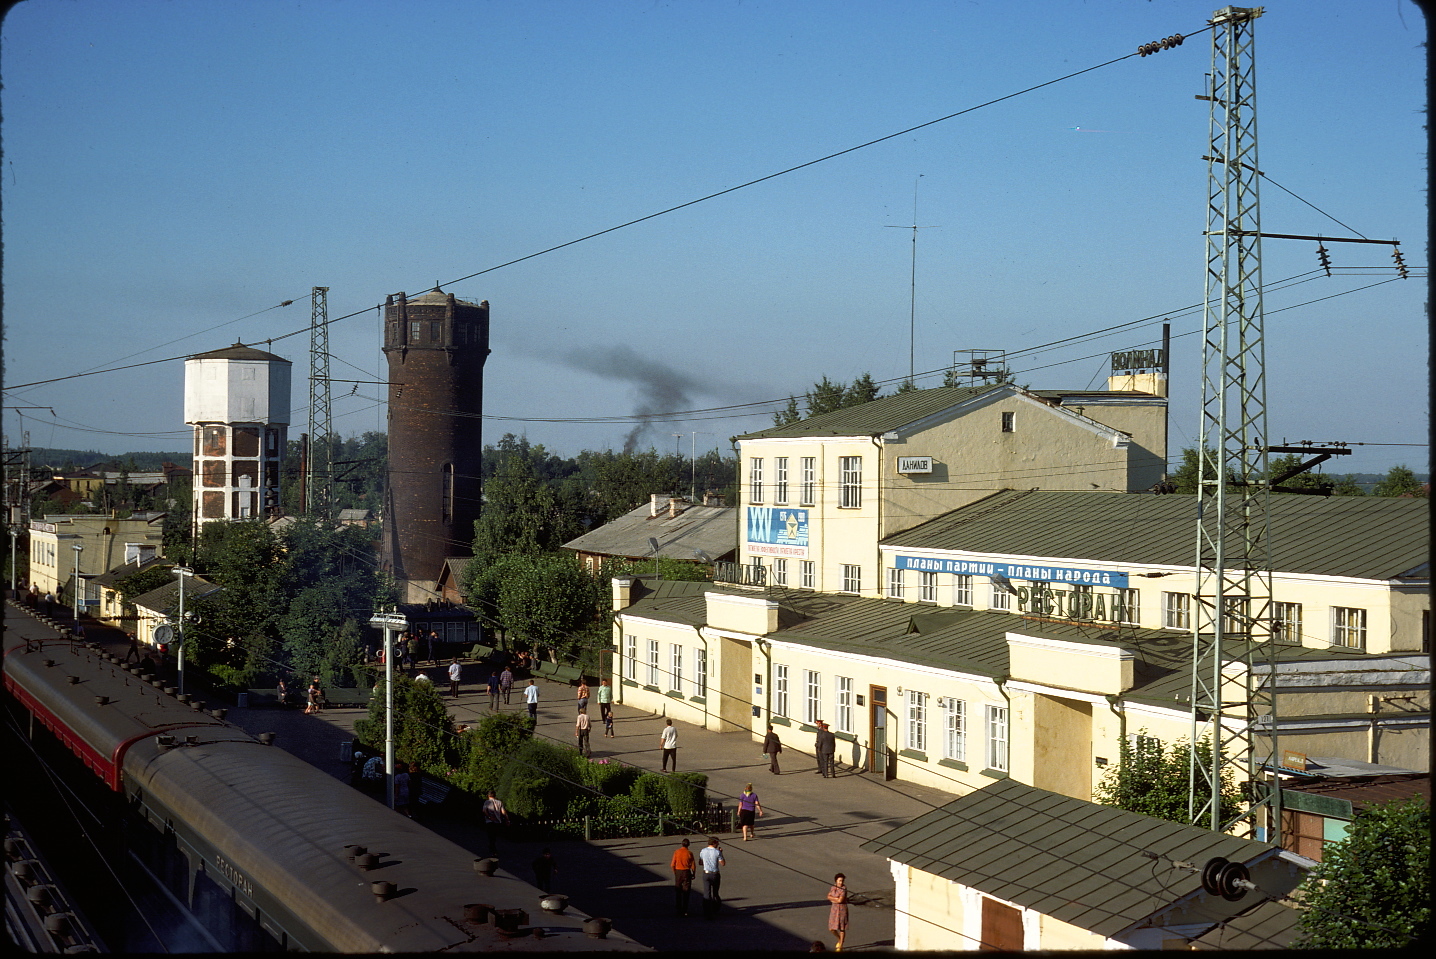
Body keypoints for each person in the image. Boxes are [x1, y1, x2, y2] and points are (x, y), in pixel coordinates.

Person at [697, 837, 724, 917]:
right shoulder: (717, 852)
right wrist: (721, 853)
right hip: (715, 873)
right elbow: (722, 863)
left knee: (706, 894)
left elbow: (700, 862)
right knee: (715, 893)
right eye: (717, 843)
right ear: (714, 843)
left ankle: (707, 912)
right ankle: (715, 909)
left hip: (706, 873)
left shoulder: (703, 851)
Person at [670, 837, 695, 916]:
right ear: (688, 845)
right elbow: (693, 865)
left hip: (678, 871)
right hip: (686, 872)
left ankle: (678, 908)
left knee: (678, 890)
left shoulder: (676, 852)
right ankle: (685, 910)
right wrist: (693, 874)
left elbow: (672, 864)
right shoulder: (689, 853)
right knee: (686, 891)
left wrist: (675, 872)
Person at [482, 790, 509, 856]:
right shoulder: (499, 802)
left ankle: (493, 849)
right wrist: (507, 819)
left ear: (488, 795)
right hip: (498, 821)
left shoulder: (487, 802)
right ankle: (493, 848)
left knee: (491, 836)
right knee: (494, 836)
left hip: (489, 821)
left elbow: (484, 810)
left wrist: (489, 817)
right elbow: (503, 812)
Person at [827, 873, 849, 951]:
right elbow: (828, 896)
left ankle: (841, 945)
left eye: (842, 881)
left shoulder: (844, 888)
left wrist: (833, 899)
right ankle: (840, 939)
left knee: (842, 928)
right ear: (836, 880)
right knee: (831, 928)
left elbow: (840, 900)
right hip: (834, 909)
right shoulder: (833, 887)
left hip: (842, 909)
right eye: (839, 881)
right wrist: (836, 899)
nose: (841, 882)